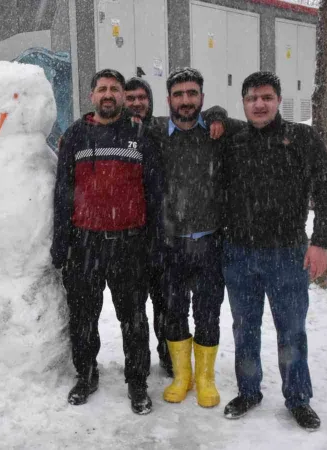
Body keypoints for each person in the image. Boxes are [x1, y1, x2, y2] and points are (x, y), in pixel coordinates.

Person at [221, 71, 327, 430]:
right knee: (245, 329)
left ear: (278, 101)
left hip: (287, 254)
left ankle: (298, 398)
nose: (259, 104)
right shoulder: (234, 141)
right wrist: (213, 115)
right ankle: (249, 390)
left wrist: (320, 242)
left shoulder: (301, 138)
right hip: (239, 253)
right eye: (252, 98)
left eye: (266, 97)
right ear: (243, 103)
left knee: (291, 329)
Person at [52, 69, 163, 415]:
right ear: (92, 96)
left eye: (114, 89)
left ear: (122, 95)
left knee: (133, 318)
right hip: (86, 244)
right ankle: (85, 375)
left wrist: (155, 242)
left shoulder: (140, 135)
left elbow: (155, 193)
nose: (108, 94)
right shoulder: (75, 136)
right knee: (83, 316)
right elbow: (62, 194)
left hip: (129, 244)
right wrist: (61, 243)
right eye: (102, 89)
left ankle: (137, 381)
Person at [148, 68, 228, 409]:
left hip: (209, 243)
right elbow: (116, 119)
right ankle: (183, 376)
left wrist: (219, 115)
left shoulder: (217, 134)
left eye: (192, 93)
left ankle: (206, 378)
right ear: (168, 100)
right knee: (174, 312)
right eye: (178, 94)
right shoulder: (152, 134)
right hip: (170, 243)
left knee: (208, 313)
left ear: (202, 99)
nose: (185, 100)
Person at [124, 77, 172, 378]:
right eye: (130, 97)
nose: (137, 102)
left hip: (164, 236)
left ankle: (169, 359)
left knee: (166, 307)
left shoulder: (163, 131)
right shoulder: (112, 135)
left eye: (142, 97)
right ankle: (137, 365)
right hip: (129, 240)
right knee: (133, 310)